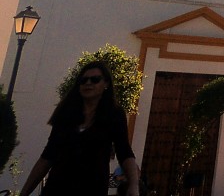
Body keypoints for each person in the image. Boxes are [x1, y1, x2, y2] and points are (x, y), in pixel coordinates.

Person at [21, 60, 140, 196]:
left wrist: (134, 185)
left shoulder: (114, 114)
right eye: (83, 80)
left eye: (95, 79)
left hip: (92, 188)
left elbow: (124, 151)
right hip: (57, 188)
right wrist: (24, 193)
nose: (88, 83)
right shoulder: (66, 112)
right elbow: (48, 155)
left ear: (106, 84)